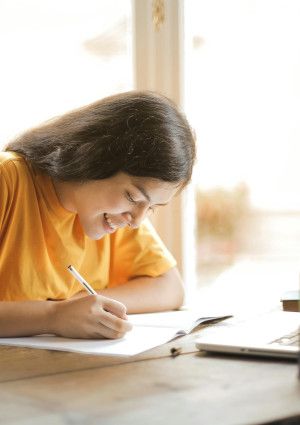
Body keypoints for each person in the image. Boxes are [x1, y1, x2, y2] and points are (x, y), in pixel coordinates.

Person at [0, 90, 195, 340]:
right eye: (133, 197)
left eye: (151, 208)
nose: (136, 221)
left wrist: (81, 306)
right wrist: (52, 315)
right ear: (93, 157)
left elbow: (170, 288)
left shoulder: (113, 216)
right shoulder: (8, 180)